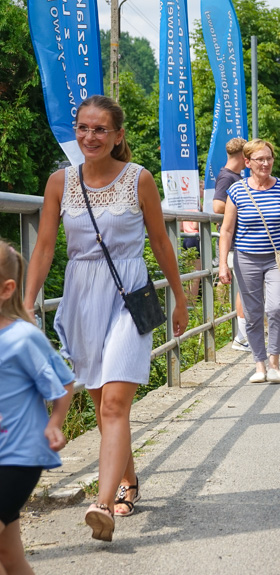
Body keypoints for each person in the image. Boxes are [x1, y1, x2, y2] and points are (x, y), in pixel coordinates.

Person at [24, 95, 189, 540]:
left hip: (129, 296)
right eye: (82, 128)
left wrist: (179, 297)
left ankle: (102, 504)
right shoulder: (60, 182)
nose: (90, 137)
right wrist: (24, 304)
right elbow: (43, 249)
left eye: (100, 129)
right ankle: (128, 481)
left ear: (117, 136)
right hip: (80, 298)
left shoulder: (140, 180)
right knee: (101, 407)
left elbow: (159, 241)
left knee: (115, 404)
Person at [0, 241, 74, 569]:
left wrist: (55, 422)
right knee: (11, 557)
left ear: (6, 289)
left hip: (19, 458)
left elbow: (63, 382)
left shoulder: (22, 338)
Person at [218, 139, 280, 384]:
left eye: (269, 158)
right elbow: (226, 230)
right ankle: (259, 365)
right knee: (253, 313)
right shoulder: (236, 191)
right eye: (260, 159)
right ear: (247, 163)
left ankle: (275, 362)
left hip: (278, 257)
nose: (266, 163)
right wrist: (223, 263)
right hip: (246, 259)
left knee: (276, 307)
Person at [212, 137, 250, 351]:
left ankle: (243, 335)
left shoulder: (233, 176)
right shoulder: (227, 176)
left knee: (246, 289)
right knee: (245, 290)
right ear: (244, 157)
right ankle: (241, 337)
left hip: (240, 241)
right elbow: (217, 206)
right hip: (236, 242)